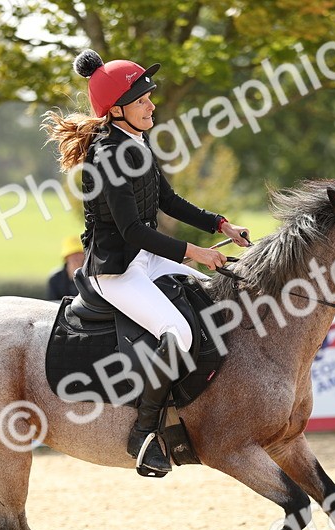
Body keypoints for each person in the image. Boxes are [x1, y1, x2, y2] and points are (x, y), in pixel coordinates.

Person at [43, 49, 250, 478]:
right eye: (142, 100)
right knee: (177, 331)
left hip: (147, 259)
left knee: (215, 296)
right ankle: (144, 432)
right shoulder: (106, 155)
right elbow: (132, 230)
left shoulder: (136, 141)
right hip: (116, 270)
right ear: (117, 109)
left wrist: (220, 224)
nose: (151, 105)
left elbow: (167, 200)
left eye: (149, 98)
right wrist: (196, 252)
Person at [47, 235, 86, 301]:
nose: (77, 258)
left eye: (79, 254)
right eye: (73, 254)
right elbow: (52, 302)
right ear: (66, 257)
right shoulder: (55, 278)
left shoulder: (90, 278)